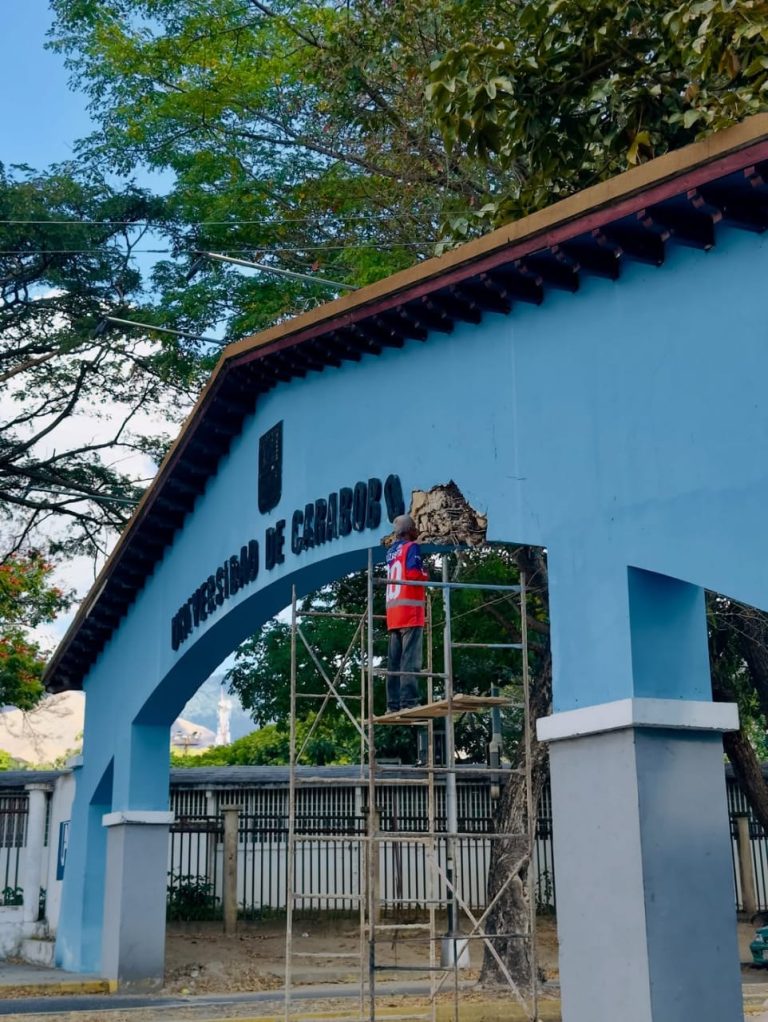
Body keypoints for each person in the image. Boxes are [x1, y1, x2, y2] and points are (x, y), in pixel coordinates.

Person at [385, 514, 429, 713]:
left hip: (394, 613)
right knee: (410, 659)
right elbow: (413, 574)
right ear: (410, 530)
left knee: (394, 662)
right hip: (410, 611)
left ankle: (392, 704)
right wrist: (425, 574)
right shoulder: (412, 547)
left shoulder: (391, 552)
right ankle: (409, 701)